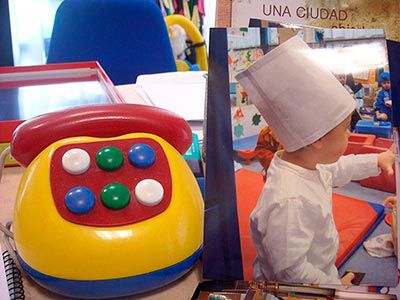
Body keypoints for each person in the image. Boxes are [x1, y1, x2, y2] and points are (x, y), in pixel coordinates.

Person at [236, 36, 395, 285]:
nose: (350, 135)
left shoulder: (307, 163)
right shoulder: (289, 200)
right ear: (316, 139)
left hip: (319, 266)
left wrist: (377, 159)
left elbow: (339, 168)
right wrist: (334, 287)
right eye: (345, 129)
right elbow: (290, 272)